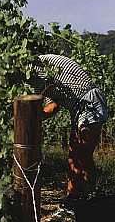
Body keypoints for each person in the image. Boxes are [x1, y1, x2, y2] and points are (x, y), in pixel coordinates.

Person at [31, 53, 108, 209]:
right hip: (79, 107)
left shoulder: (33, 70)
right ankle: (71, 201)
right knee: (73, 157)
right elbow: (53, 106)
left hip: (89, 103)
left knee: (83, 156)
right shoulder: (41, 69)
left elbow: (33, 105)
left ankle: (91, 201)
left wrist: (25, 120)